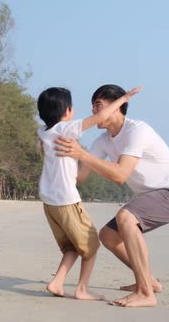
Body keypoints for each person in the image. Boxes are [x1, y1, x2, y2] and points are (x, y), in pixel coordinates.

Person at [55, 84, 169, 307]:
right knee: (109, 236)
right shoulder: (102, 141)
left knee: (126, 218)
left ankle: (145, 292)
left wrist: (81, 153)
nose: (94, 113)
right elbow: (79, 177)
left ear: (117, 106)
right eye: (93, 108)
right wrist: (56, 159)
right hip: (151, 197)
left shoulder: (136, 130)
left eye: (98, 106)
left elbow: (120, 175)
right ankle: (149, 281)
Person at [37, 86, 141, 300]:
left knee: (73, 246)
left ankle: (57, 283)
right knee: (91, 245)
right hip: (66, 200)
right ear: (67, 111)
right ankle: (82, 289)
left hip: (49, 202)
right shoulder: (65, 129)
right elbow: (102, 116)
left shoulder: (44, 132)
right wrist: (124, 98)